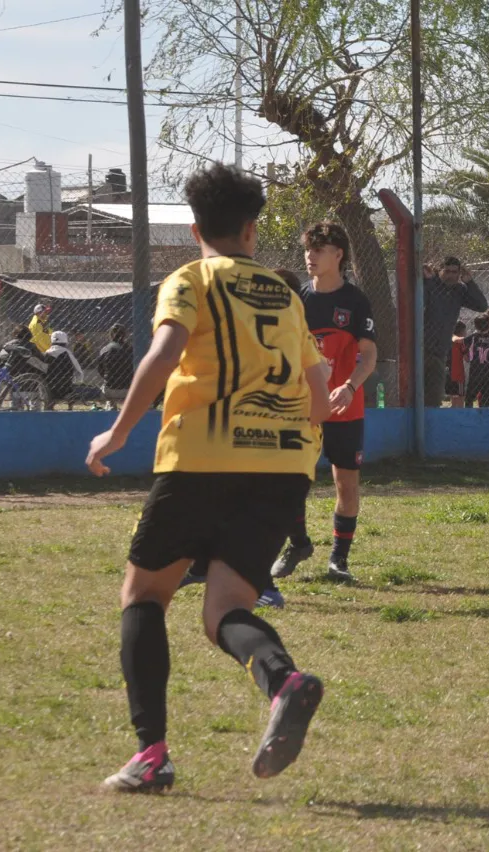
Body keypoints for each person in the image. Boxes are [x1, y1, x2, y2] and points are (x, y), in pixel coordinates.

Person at [85, 162, 331, 793]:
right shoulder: (285, 294)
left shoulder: (191, 279)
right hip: (283, 464)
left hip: (201, 457)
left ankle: (152, 755)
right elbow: (319, 389)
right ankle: (284, 680)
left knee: (143, 596)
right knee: (225, 608)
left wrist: (117, 433)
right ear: (253, 229)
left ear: (196, 228)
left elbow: (165, 353)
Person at [270, 224, 378, 588]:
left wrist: (349, 386)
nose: (310, 255)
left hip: (346, 408)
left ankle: (339, 560)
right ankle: (299, 544)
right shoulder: (298, 300)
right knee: (289, 482)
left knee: (346, 485)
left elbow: (370, 356)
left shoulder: (355, 300)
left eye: (319, 249)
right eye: (308, 248)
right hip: (305, 408)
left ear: (339, 255)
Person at [421, 257, 488, 407]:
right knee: (413, 395)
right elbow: (419, 303)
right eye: (447, 271)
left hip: (439, 352)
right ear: (440, 271)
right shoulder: (430, 285)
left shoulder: (459, 290)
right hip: (419, 349)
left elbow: (482, 306)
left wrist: (469, 282)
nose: (451, 275)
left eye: (455, 272)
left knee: (433, 399)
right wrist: (428, 281)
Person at [44, 330, 102, 406]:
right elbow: (78, 370)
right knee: (97, 391)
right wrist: (78, 382)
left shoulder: (47, 353)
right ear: (65, 341)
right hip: (66, 389)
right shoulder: (66, 352)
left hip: (49, 389)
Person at [97, 323, 134, 406]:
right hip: (128, 389)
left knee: (105, 386)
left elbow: (100, 370)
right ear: (124, 335)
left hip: (110, 389)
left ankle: (111, 407)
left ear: (111, 335)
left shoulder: (105, 349)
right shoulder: (131, 349)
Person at [446, 321, 468, 408]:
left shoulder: (447, 340)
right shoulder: (460, 342)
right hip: (458, 375)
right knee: (460, 401)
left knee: (454, 400)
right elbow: (467, 358)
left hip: (449, 374)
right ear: (461, 332)